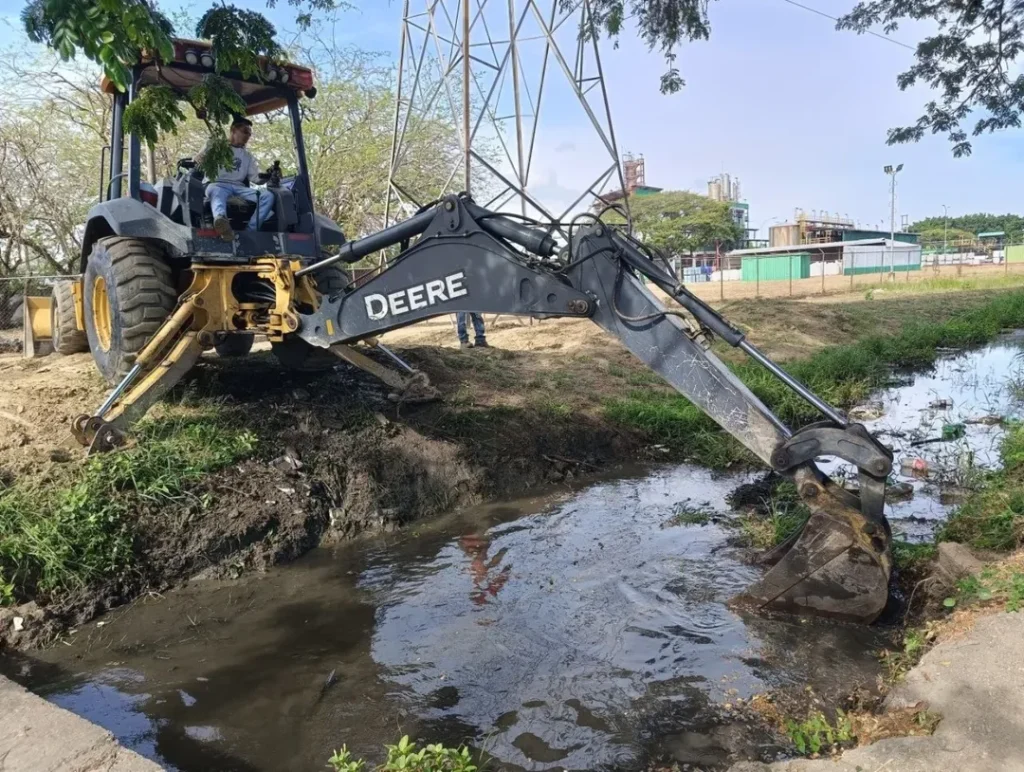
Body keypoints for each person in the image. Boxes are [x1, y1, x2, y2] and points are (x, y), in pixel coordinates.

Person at [196, 116, 275, 240]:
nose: (248, 136)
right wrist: (200, 158)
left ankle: (251, 230)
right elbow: (198, 159)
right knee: (217, 191)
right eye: (245, 132)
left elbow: (255, 178)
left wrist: (268, 175)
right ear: (233, 130)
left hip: (238, 188)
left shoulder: (247, 156)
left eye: (249, 134)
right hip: (216, 183)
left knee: (267, 196)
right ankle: (221, 222)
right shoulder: (216, 145)